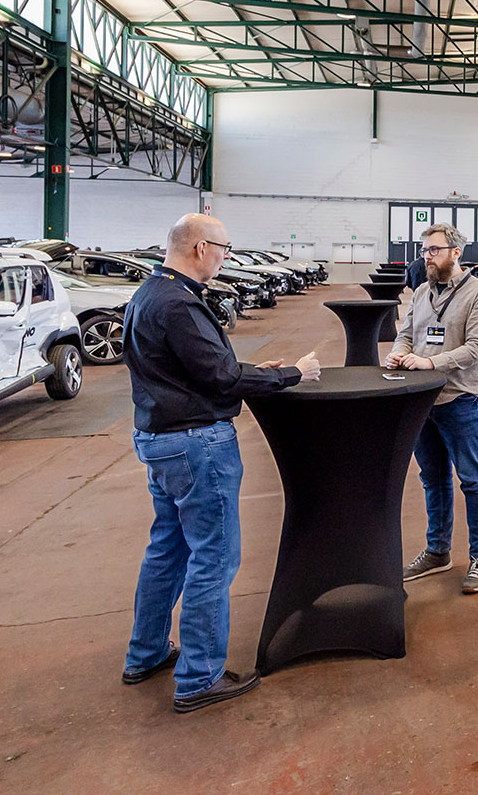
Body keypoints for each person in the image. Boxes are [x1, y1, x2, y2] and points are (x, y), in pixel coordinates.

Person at [120, 213, 321, 714]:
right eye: (225, 249)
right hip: (196, 445)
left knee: (167, 549)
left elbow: (200, 370)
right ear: (199, 248)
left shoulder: (149, 294)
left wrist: (250, 371)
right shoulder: (180, 304)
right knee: (214, 558)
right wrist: (292, 374)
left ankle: (145, 653)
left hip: (159, 438)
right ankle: (199, 677)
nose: (227, 258)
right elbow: (220, 379)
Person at [387, 221, 478, 593]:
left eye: (433, 250)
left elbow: (475, 348)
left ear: (455, 252)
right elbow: (406, 332)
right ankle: (438, 551)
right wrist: (399, 352)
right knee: (432, 478)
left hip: (460, 398)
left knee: (473, 479)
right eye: (424, 251)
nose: (427, 258)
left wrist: (430, 363)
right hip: (422, 402)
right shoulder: (421, 292)